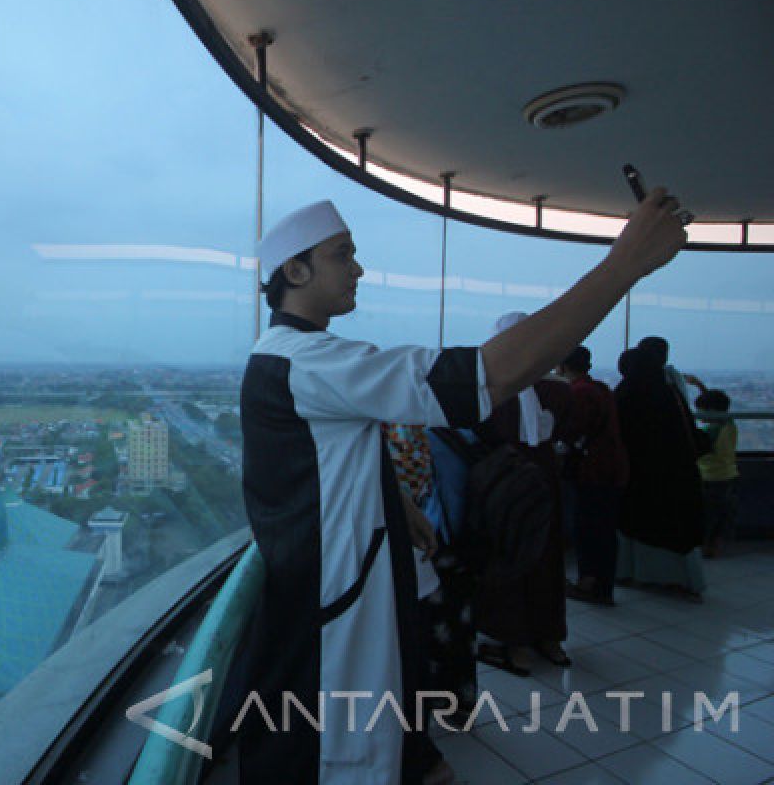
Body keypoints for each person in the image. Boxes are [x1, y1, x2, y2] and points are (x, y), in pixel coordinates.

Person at [237, 188, 686, 785]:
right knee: (342, 755)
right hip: (338, 602)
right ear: (295, 270)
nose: (358, 269)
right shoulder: (306, 361)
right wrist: (623, 264)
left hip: (349, 581)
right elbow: (488, 376)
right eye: (343, 255)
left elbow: (324, 459)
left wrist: (397, 505)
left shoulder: (288, 358)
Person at [472, 312, 572, 675]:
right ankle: (549, 635)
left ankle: (514, 640)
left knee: (507, 556)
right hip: (542, 477)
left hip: (502, 480)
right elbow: (568, 432)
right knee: (545, 556)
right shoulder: (559, 389)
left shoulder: (489, 389)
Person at [614, 348, 707, 600]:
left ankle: (638, 574)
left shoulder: (627, 394)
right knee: (674, 529)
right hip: (678, 474)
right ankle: (679, 580)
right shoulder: (671, 393)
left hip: (641, 476)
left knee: (640, 524)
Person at [557, 345, 629, 605]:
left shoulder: (579, 393)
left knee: (589, 528)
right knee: (604, 530)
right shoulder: (600, 389)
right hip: (610, 469)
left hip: (592, 472)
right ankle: (601, 584)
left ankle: (591, 583)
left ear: (562, 367)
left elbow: (573, 430)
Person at [687, 379, 739, 557]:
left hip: (710, 477)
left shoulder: (711, 433)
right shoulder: (729, 424)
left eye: (701, 410)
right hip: (728, 475)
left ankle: (707, 547)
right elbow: (714, 404)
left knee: (708, 515)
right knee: (722, 514)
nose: (699, 413)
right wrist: (700, 386)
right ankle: (716, 545)